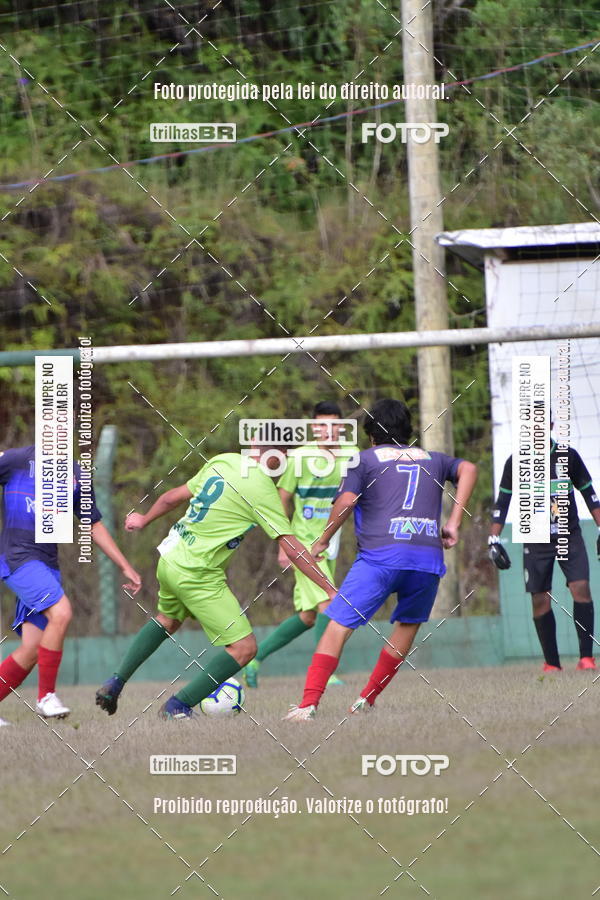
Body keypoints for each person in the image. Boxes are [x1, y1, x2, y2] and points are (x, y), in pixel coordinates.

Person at [95, 443, 336, 720]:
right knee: (244, 648)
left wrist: (144, 519)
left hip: (170, 557)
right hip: (197, 573)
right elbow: (292, 547)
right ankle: (178, 706)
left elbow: (173, 497)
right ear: (279, 458)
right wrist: (329, 587)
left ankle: (115, 683)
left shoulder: (224, 461)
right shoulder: (262, 489)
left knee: (167, 620)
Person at [284, 398, 477, 721]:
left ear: (371, 434)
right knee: (407, 625)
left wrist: (323, 540)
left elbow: (346, 501)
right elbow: (469, 468)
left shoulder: (365, 460)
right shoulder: (433, 459)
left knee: (337, 627)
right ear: (408, 430)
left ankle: (308, 705)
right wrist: (454, 521)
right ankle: (366, 699)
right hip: (426, 560)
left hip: (380, 559)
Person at [0, 445, 141, 724]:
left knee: (31, 650)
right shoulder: (17, 460)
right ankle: (46, 697)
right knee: (62, 612)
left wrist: (124, 565)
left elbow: (93, 524)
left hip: (47, 565)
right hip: (18, 558)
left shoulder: (76, 474)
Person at [242, 401, 358, 689]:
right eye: (320, 425)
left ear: (341, 428)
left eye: (332, 425)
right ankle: (325, 672)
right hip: (304, 545)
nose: (326, 431)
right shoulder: (299, 458)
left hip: (330, 543)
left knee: (308, 617)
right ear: (313, 428)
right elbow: (282, 498)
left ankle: (255, 660)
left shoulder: (353, 456)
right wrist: (284, 545)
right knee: (330, 604)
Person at [489, 427, 600, 671]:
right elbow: (503, 502)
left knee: (580, 587)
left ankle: (586, 658)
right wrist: (494, 539)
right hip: (536, 539)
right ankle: (552, 664)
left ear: (548, 425)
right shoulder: (515, 462)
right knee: (540, 600)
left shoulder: (567, 456)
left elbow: (589, 494)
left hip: (568, 535)